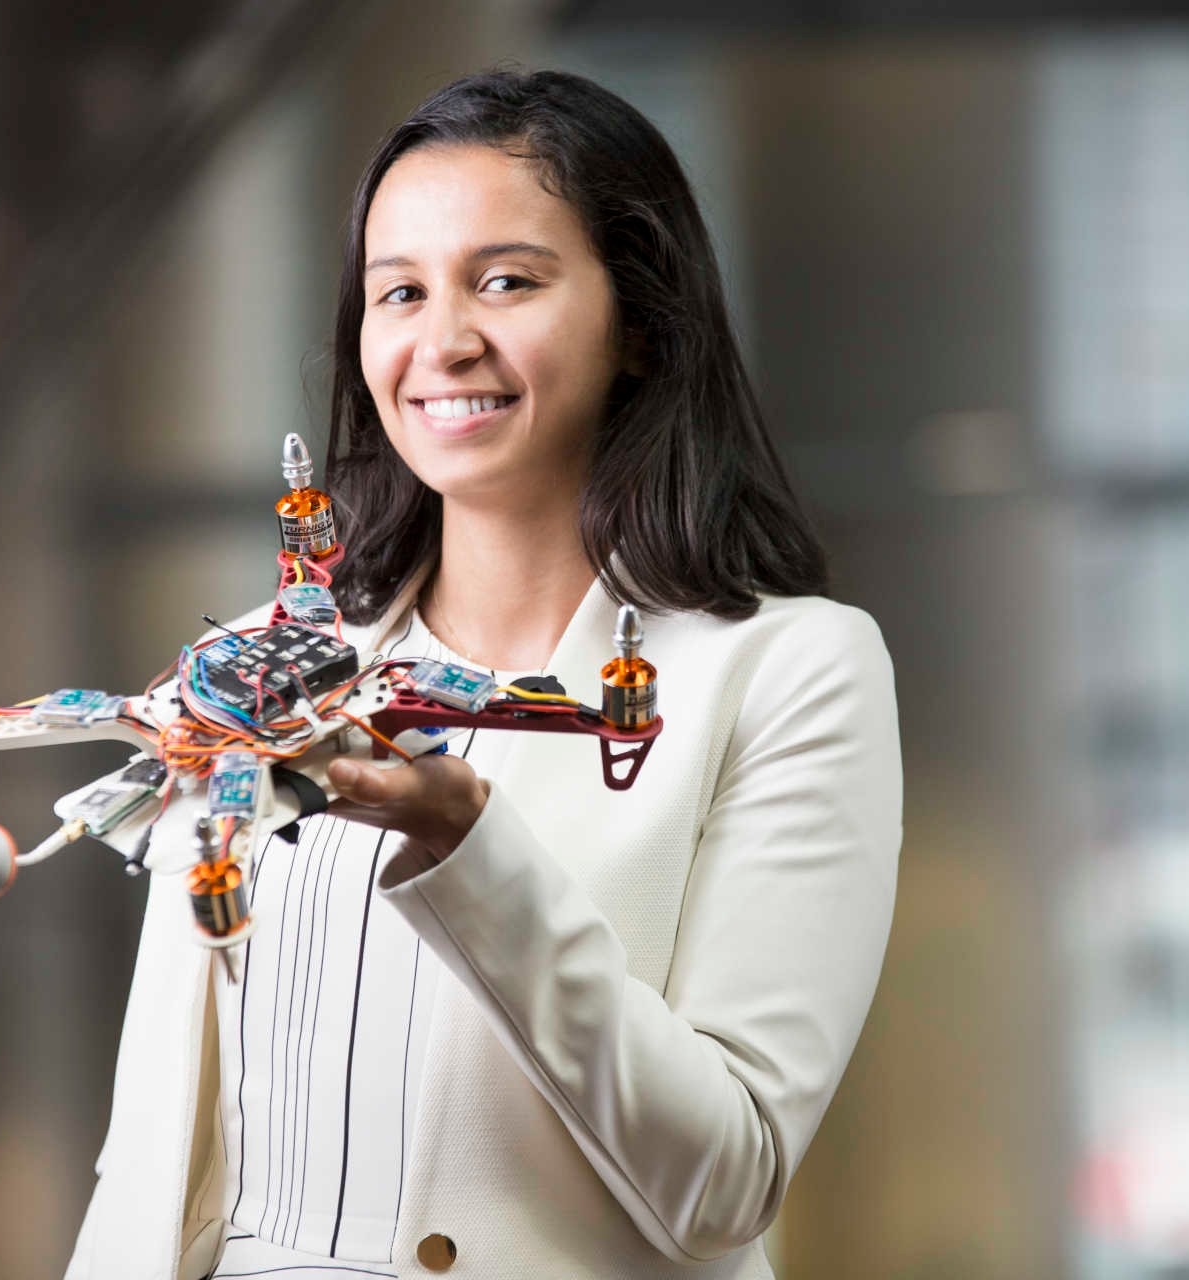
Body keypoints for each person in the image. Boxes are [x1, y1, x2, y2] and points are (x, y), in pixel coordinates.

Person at [66, 69, 902, 1280]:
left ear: (643, 321)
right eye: (398, 290)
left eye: (505, 280)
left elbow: (726, 1178)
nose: (442, 339)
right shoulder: (255, 664)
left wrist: (474, 850)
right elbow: (148, 1153)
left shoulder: (785, 669)